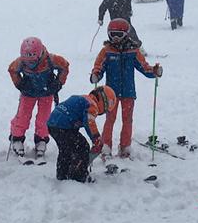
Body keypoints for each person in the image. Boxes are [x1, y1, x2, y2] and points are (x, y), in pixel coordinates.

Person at [89, 18, 161, 157]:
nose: (115, 38)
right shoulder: (107, 51)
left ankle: (125, 146)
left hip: (128, 91)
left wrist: (154, 71)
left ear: (126, 35)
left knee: (127, 119)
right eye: (112, 34)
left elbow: (144, 67)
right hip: (110, 94)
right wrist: (96, 74)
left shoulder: (133, 52)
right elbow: (99, 66)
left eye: (119, 35)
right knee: (110, 118)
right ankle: (106, 145)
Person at [7, 36, 69, 160]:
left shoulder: (51, 60)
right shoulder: (20, 62)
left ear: (40, 54)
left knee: (44, 118)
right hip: (28, 94)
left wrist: (58, 83)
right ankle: (17, 138)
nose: (30, 64)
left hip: (46, 93)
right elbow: (12, 69)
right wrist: (20, 83)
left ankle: (41, 139)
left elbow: (65, 66)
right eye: (27, 61)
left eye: (32, 61)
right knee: (23, 116)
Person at [47, 85, 111, 183]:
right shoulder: (92, 105)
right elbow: (89, 122)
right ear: (104, 102)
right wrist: (96, 138)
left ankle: (62, 174)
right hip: (63, 127)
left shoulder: (83, 98)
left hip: (53, 124)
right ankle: (79, 176)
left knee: (66, 149)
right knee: (83, 147)